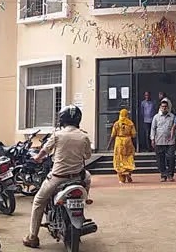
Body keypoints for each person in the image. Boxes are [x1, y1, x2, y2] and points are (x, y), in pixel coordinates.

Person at [23, 105, 92, 249]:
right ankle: (85, 199)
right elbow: (87, 155)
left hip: (58, 178)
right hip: (78, 177)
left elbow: (44, 151)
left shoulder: (57, 135)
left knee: (38, 201)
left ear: (62, 120)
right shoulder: (84, 136)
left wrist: (37, 158)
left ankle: (32, 237)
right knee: (88, 177)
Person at [150, 99, 176, 182]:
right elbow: (153, 128)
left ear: (168, 107)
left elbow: (175, 128)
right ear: (160, 107)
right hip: (159, 141)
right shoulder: (156, 117)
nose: (164, 108)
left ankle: (170, 174)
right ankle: (163, 175)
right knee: (160, 159)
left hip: (170, 141)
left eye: (165, 107)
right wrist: (152, 139)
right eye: (162, 107)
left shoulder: (172, 116)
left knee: (171, 158)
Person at [109, 108, 137, 183]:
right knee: (128, 158)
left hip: (119, 142)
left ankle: (122, 179)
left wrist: (109, 145)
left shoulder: (116, 123)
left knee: (119, 159)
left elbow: (113, 135)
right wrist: (134, 144)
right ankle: (128, 172)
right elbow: (134, 135)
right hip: (128, 141)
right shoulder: (130, 123)